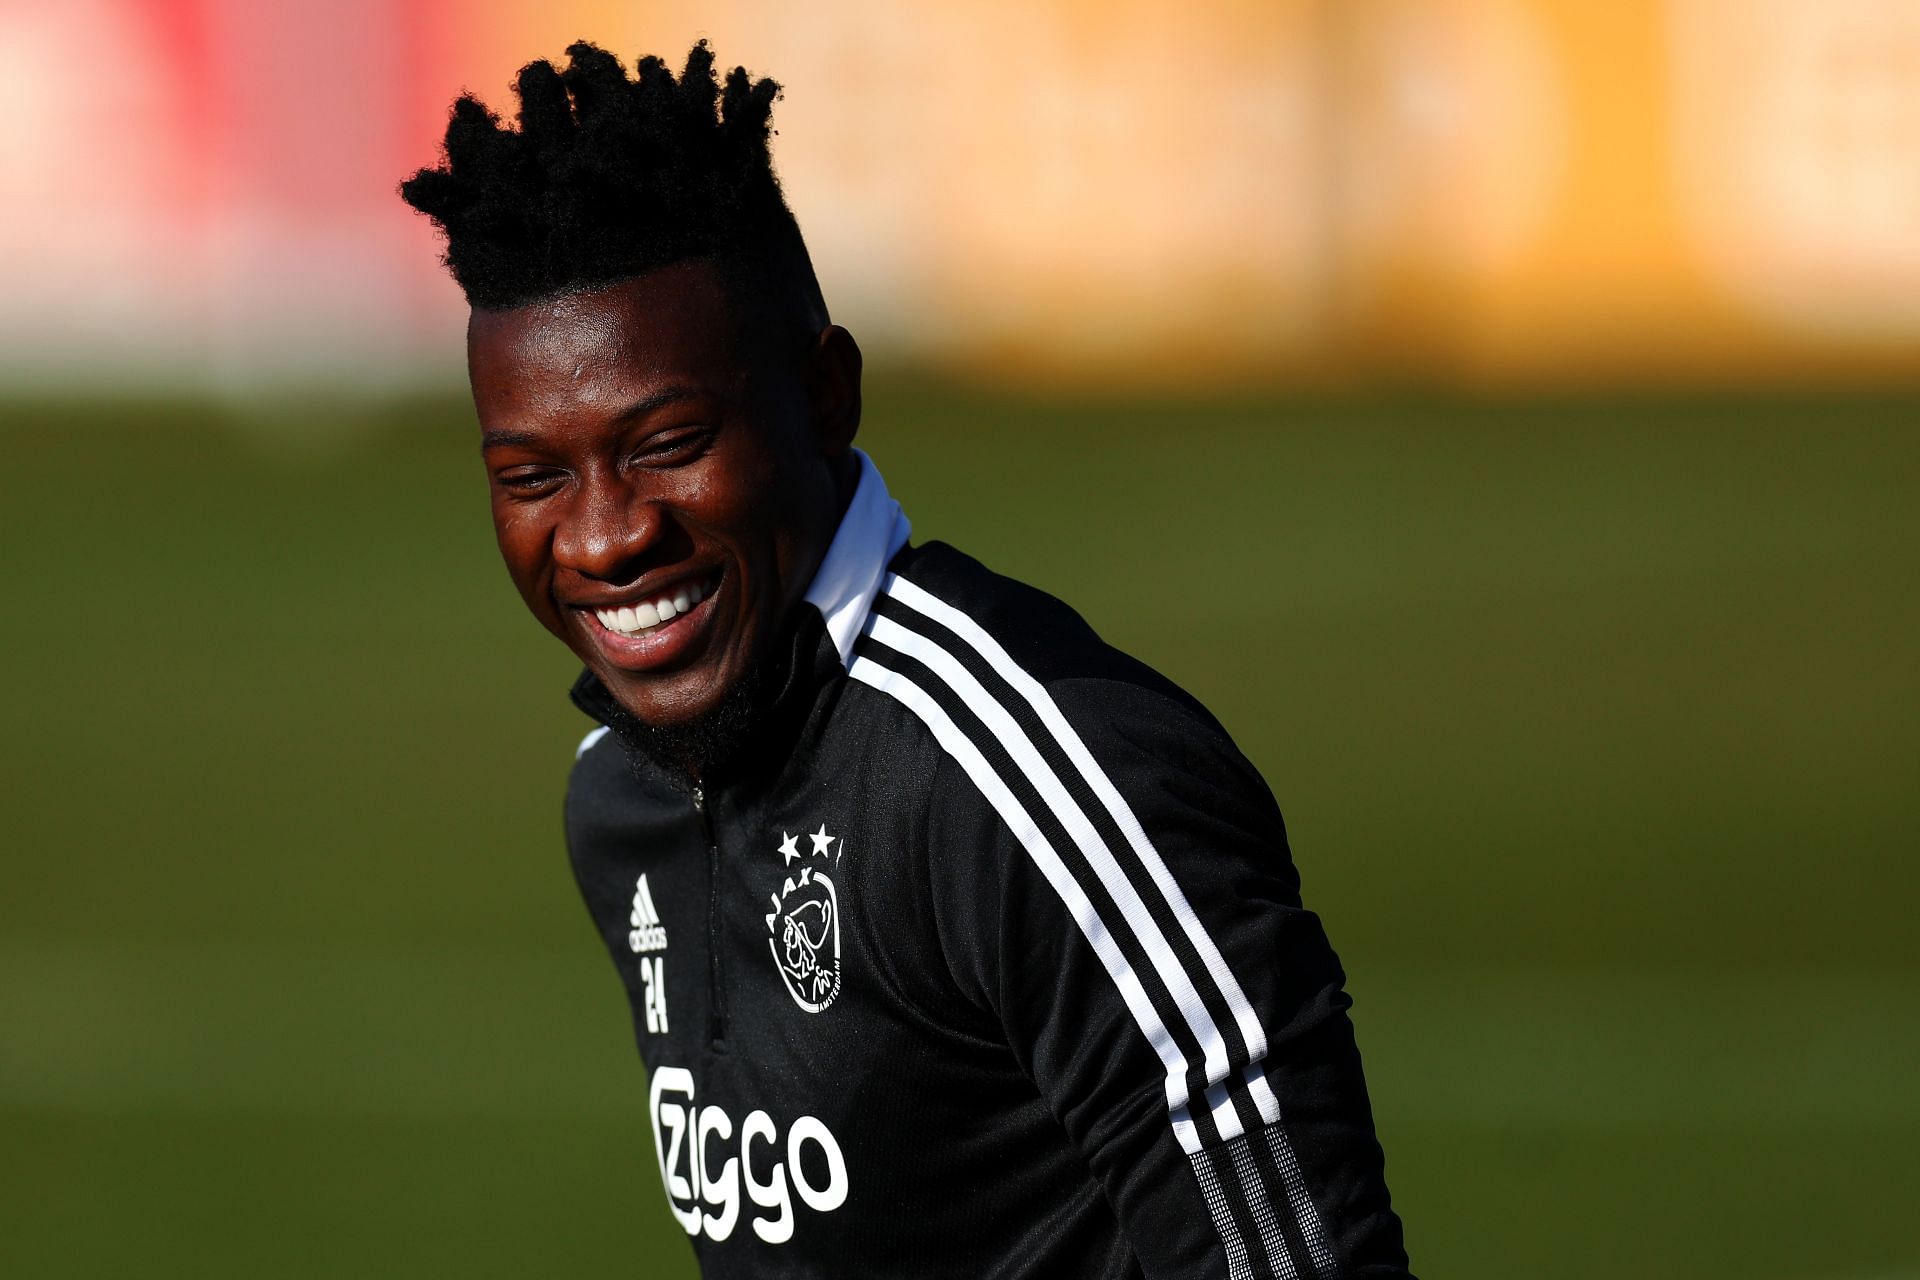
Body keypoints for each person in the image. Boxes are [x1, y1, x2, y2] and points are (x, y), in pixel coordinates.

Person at [400, 40, 1413, 1280]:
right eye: (532, 478)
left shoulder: (1033, 779)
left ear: (827, 395)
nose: (607, 536)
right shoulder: (620, 792)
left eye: (668, 444)